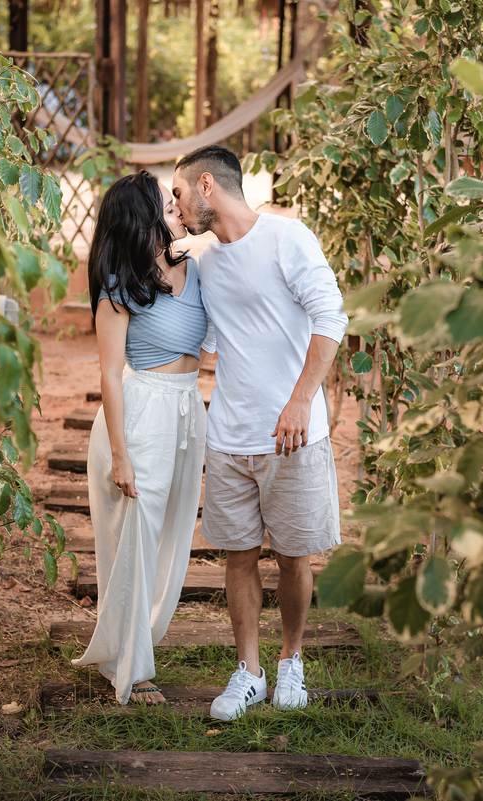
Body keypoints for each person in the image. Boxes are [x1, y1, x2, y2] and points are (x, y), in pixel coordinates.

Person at [171, 145, 348, 721]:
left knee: (294, 557)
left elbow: (332, 318)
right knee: (238, 556)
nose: (175, 207)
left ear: (205, 186)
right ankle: (248, 671)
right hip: (230, 437)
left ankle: (291, 658)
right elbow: (212, 343)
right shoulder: (206, 262)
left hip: (292, 435)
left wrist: (301, 403)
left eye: (177, 195)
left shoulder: (286, 238)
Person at [71, 170, 209, 705]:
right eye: (165, 201)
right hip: (140, 410)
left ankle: (137, 642)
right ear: (142, 215)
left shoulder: (192, 268)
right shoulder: (119, 284)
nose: (175, 206)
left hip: (186, 408)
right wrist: (121, 456)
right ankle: (133, 671)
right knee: (135, 542)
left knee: (172, 537)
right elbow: (108, 374)